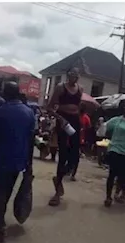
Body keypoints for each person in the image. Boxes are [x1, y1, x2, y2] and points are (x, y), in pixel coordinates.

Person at [0, 82, 35, 243]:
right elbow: (31, 139)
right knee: (7, 191)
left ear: (5, 94)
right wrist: (29, 163)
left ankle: (0, 227)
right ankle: (0, 221)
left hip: (3, 159)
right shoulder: (29, 113)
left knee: (0, 193)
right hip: (19, 161)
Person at [47, 68, 83, 206]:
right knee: (63, 154)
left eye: (77, 75)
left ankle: (59, 177)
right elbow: (49, 108)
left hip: (74, 120)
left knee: (74, 154)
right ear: (68, 76)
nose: (75, 77)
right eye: (72, 75)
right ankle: (57, 191)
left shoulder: (80, 89)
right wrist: (60, 119)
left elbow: (78, 106)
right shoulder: (60, 88)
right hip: (63, 120)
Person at [69, 106, 92, 181]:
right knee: (69, 155)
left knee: (76, 158)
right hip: (71, 138)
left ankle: (73, 173)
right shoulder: (74, 116)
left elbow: (89, 128)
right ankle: (69, 169)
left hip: (80, 140)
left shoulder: (86, 118)